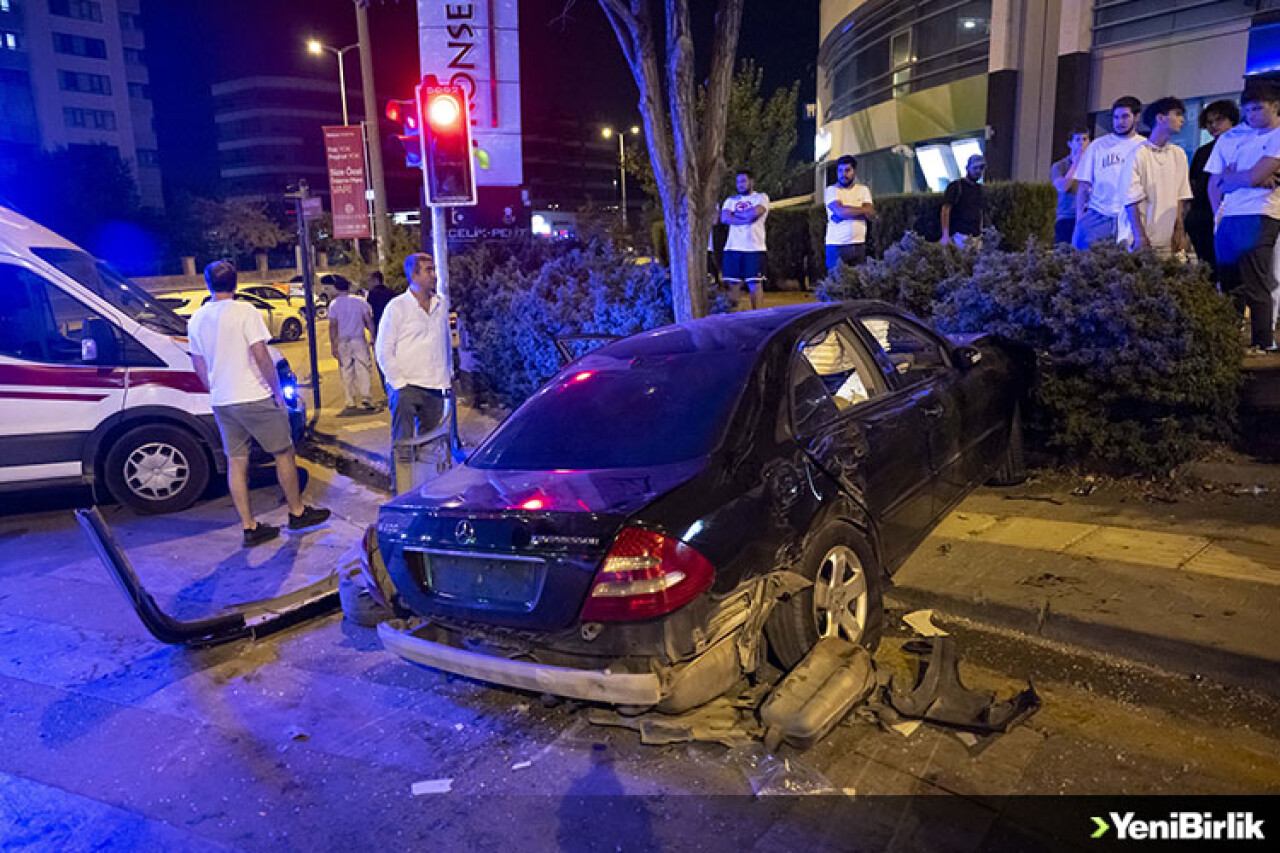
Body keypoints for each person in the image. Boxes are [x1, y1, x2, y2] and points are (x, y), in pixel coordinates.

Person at [187, 261, 329, 547]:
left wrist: (214, 389)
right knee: (284, 453)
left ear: (208, 284)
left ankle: (250, 527)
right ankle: (297, 512)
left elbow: (198, 363)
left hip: (223, 401)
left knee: (236, 463)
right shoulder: (246, 312)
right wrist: (277, 392)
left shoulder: (197, 319)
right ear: (236, 283)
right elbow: (261, 355)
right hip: (253, 395)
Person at [1207, 80, 1280, 353]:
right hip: (1229, 215)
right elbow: (1215, 184)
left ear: (1275, 107)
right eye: (1247, 110)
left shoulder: (1276, 136)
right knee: (1229, 283)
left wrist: (1236, 177)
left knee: (1256, 282)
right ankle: (1227, 341)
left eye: (1258, 109)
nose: (1251, 116)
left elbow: (1254, 175)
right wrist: (1241, 180)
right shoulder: (1231, 137)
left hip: (1261, 214)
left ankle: (1262, 343)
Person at [375, 252, 452, 443]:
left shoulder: (440, 305)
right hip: (406, 386)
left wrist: (448, 375)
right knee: (403, 444)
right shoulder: (397, 307)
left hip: (435, 386)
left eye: (434, 269)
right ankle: (402, 475)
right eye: (428, 270)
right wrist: (398, 384)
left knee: (431, 444)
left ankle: (426, 475)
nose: (434, 275)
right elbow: (383, 349)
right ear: (414, 275)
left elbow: (445, 343)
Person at [1073, 96, 1146, 249]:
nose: (1120, 122)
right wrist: (1080, 219)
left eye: (1125, 116)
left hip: (1130, 218)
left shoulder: (1143, 146)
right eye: (1116, 117)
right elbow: (1084, 184)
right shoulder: (1098, 145)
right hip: (1099, 215)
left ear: (1137, 117)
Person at [1126, 97, 1193, 255]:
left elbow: (1180, 195)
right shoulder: (1138, 154)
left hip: (1168, 238)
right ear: (1160, 118)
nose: (1182, 119)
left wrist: (1179, 229)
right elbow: (1130, 200)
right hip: (1139, 238)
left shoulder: (1179, 154)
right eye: (1177, 114)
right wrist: (1139, 235)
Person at [1187, 99, 1240, 277]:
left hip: (1230, 214)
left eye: (1219, 120)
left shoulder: (1241, 146)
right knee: (1207, 267)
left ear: (1231, 120)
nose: (1213, 126)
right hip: (1202, 217)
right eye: (1209, 122)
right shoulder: (1203, 151)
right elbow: (1194, 184)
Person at [326, 276, 377, 415]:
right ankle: (366, 396)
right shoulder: (360, 301)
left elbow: (333, 326)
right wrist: (372, 335)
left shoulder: (334, 304)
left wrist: (333, 345)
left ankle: (350, 400)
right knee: (363, 367)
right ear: (348, 287)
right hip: (358, 338)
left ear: (337, 288)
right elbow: (368, 320)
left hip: (343, 340)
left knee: (346, 370)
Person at [720, 170, 769, 310]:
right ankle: (733, 319)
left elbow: (755, 213)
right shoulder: (730, 200)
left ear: (751, 182)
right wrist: (745, 218)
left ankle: (757, 317)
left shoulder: (761, 197)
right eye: (738, 182)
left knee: (755, 285)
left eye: (743, 181)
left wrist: (735, 215)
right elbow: (724, 218)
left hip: (754, 249)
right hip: (732, 249)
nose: (740, 185)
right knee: (732, 287)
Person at [823, 154, 875, 271]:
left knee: (859, 284)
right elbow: (840, 212)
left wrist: (846, 211)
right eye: (840, 170)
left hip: (858, 245)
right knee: (837, 284)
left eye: (847, 170)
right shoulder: (831, 190)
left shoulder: (863, 190)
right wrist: (862, 210)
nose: (843, 174)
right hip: (837, 246)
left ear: (854, 171)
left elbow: (871, 213)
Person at [1050, 127, 1090, 244]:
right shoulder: (1060, 166)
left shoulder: (1091, 166)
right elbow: (1063, 187)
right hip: (1066, 217)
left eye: (1085, 139)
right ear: (1070, 144)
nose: (1081, 143)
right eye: (1077, 140)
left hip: (1086, 217)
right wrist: (1077, 162)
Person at [940, 154, 986, 247]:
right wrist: (945, 235)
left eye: (981, 168)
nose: (978, 171)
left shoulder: (979, 189)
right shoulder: (956, 186)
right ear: (967, 168)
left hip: (975, 236)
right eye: (975, 167)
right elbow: (945, 210)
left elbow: (980, 211)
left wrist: (980, 233)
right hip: (960, 235)